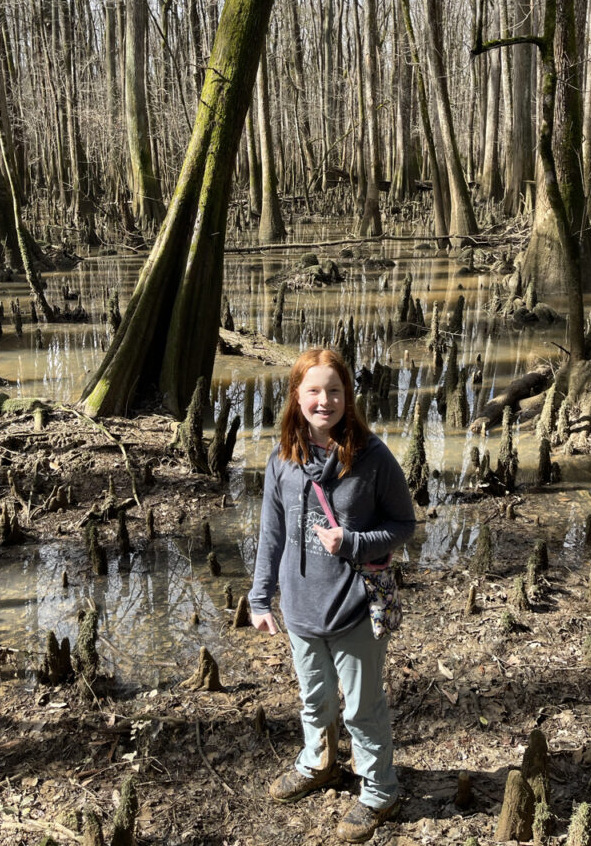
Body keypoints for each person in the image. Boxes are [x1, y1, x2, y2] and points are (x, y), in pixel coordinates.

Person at [249, 347, 416, 843]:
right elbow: (271, 535)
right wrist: (261, 600)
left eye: (335, 391)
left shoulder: (372, 457)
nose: (326, 401)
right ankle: (317, 763)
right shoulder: (282, 459)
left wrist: (355, 543)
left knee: (362, 709)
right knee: (314, 700)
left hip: (355, 609)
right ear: (297, 396)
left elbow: (404, 524)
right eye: (315, 391)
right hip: (300, 608)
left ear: (348, 396)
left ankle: (379, 790)